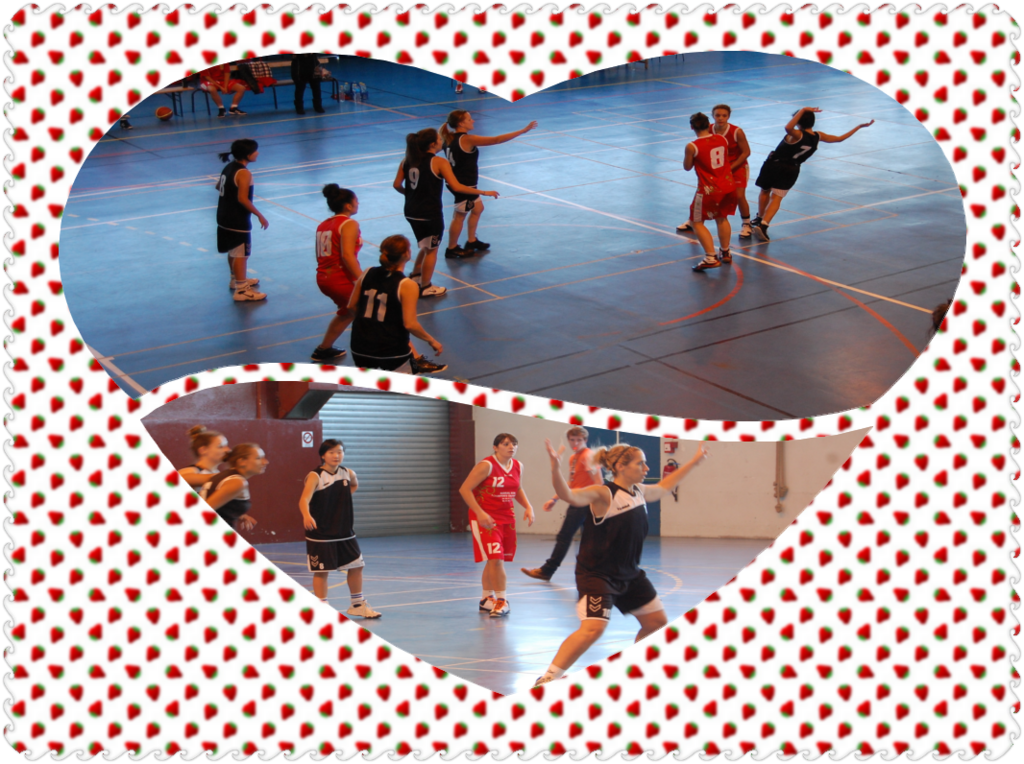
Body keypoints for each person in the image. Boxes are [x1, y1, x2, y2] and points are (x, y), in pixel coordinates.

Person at [534, 439, 708, 686]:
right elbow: (568, 495)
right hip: (597, 574)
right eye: (641, 463)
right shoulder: (603, 494)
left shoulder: (639, 491)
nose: (647, 468)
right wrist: (555, 468)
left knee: (656, 623)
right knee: (593, 628)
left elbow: (665, 486)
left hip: (629, 573)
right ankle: (548, 678)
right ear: (620, 466)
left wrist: (695, 461)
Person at [393, 128, 499, 298]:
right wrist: (484, 192)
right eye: (439, 139)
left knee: (426, 244)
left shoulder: (407, 160)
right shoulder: (439, 162)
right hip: (429, 212)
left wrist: (411, 194)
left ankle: (416, 274)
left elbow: (397, 184)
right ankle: (426, 286)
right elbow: (457, 187)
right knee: (432, 250)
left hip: (411, 210)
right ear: (432, 144)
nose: (442, 141)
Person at [751, 107, 875, 241]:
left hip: (773, 165)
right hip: (791, 169)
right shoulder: (818, 136)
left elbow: (788, 127)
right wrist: (858, 127)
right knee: (777, 197)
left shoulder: (796, 134)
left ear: (798, 122)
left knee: (765, 191)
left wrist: (803, 109)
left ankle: (759, 218)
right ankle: (764, 225)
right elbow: (839, 139)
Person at [298, 439, 381, 618]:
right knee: (322, 571)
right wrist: (306, 515)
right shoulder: (316, 476)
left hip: (344, 531)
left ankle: (357, 604)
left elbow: (354, 485)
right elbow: (304, 499)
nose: (336, 456)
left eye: (340, 452)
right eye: (332, 452)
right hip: (321, 532)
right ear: (323, 455)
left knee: (357, 566)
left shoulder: (348, 473)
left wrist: (340, 499)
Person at [439, 111, 538, 258]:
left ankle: (471, 241)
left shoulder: (448, 137)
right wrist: (523, 130)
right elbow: (496, 140)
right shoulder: (467, 139)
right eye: (469, 119)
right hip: (464, 185)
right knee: (459, 217)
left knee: (478, 208)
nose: (473, 121)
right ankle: (451, 248)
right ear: (461, 123)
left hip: (458, 181)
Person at [459, 433, 535, 618]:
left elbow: (517, 488)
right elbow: (465, 489)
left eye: (514, 444)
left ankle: (487, 599)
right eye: (506, 444)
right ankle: (502, 601)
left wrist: (528, 506)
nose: (511, 447)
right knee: (496, 559)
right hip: (486, 519)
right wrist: (480, 512)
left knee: (494, 560)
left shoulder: (517, 466)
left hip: (507, 518)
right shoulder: (487, 465)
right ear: (495, 447)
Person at [348, 234, 446, 374]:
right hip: (391, 348)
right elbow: (410, 324)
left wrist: (369, 324)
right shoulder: (407, 285)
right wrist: (431, 340)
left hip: (360, 344)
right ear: (406, 254)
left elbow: (351, 306)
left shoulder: (367, 272)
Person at [521, 426, 602, 582]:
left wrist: (591, 500)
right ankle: (592, 572)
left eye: (579, 440)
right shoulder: (574, 457)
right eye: (572, 440)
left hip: (584, 503)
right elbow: (571, 483)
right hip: (577, 501)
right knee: (587, 539)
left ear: (585, 440)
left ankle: (547, 571)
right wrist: (554, 498)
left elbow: (598, 482)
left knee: (566, 536)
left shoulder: (588, 456)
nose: (575, 443)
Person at [678, 104, 752, 238]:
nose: (721, 118)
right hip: (719, 167)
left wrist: (730, 168)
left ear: (729, 117)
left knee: (739, 195)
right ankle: (694, 219)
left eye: (724, 115)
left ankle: (746, 223)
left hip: (737, 165)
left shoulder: (736, 132)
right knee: (705, 190)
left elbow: (746, 152)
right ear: (712, 116)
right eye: (718, 115)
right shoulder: (709, 130)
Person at [311, 185, 362, 362]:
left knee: (347, 311)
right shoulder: (349, 224)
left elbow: (320, 254)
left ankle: (323, 349)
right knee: (372, 313)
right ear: (348, 205)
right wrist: (362, 279)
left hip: (323, 277)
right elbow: (347, 256)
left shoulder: (323, 225)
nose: (358, 203)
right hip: (341, 278)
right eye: (356, 201)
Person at [682, 112, 739, 272]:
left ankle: (710, 257)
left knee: (696, 222)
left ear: (692, 127)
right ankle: (725, 251)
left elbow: (687, 167)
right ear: (709, 125)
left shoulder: (692, 146)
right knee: (722, 217)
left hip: (709, 189)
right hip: (728, 185)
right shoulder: (721, 139)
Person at [216, 139, 268, 301]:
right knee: (241, 254)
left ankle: (236, 279)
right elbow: (243, 199)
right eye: (255, 150)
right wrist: (260, 215)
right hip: (237, 218)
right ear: (247, 154)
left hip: (223, 216)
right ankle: (241, 290)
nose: (257, 153)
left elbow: (218, 186)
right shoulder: (244, 173)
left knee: (233, 250)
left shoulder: (229, 167)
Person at [203, 443, 269, 532]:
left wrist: (236, 514)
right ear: (242, 462)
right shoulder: (237, 482)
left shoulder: (227, 476)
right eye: (258, 458)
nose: (265, 462)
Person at [178, 425, 229, 490]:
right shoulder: (191, 471)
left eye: (226, 446)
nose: (227, 450)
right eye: (220, 446)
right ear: (203, 450)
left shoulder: (217, 473)